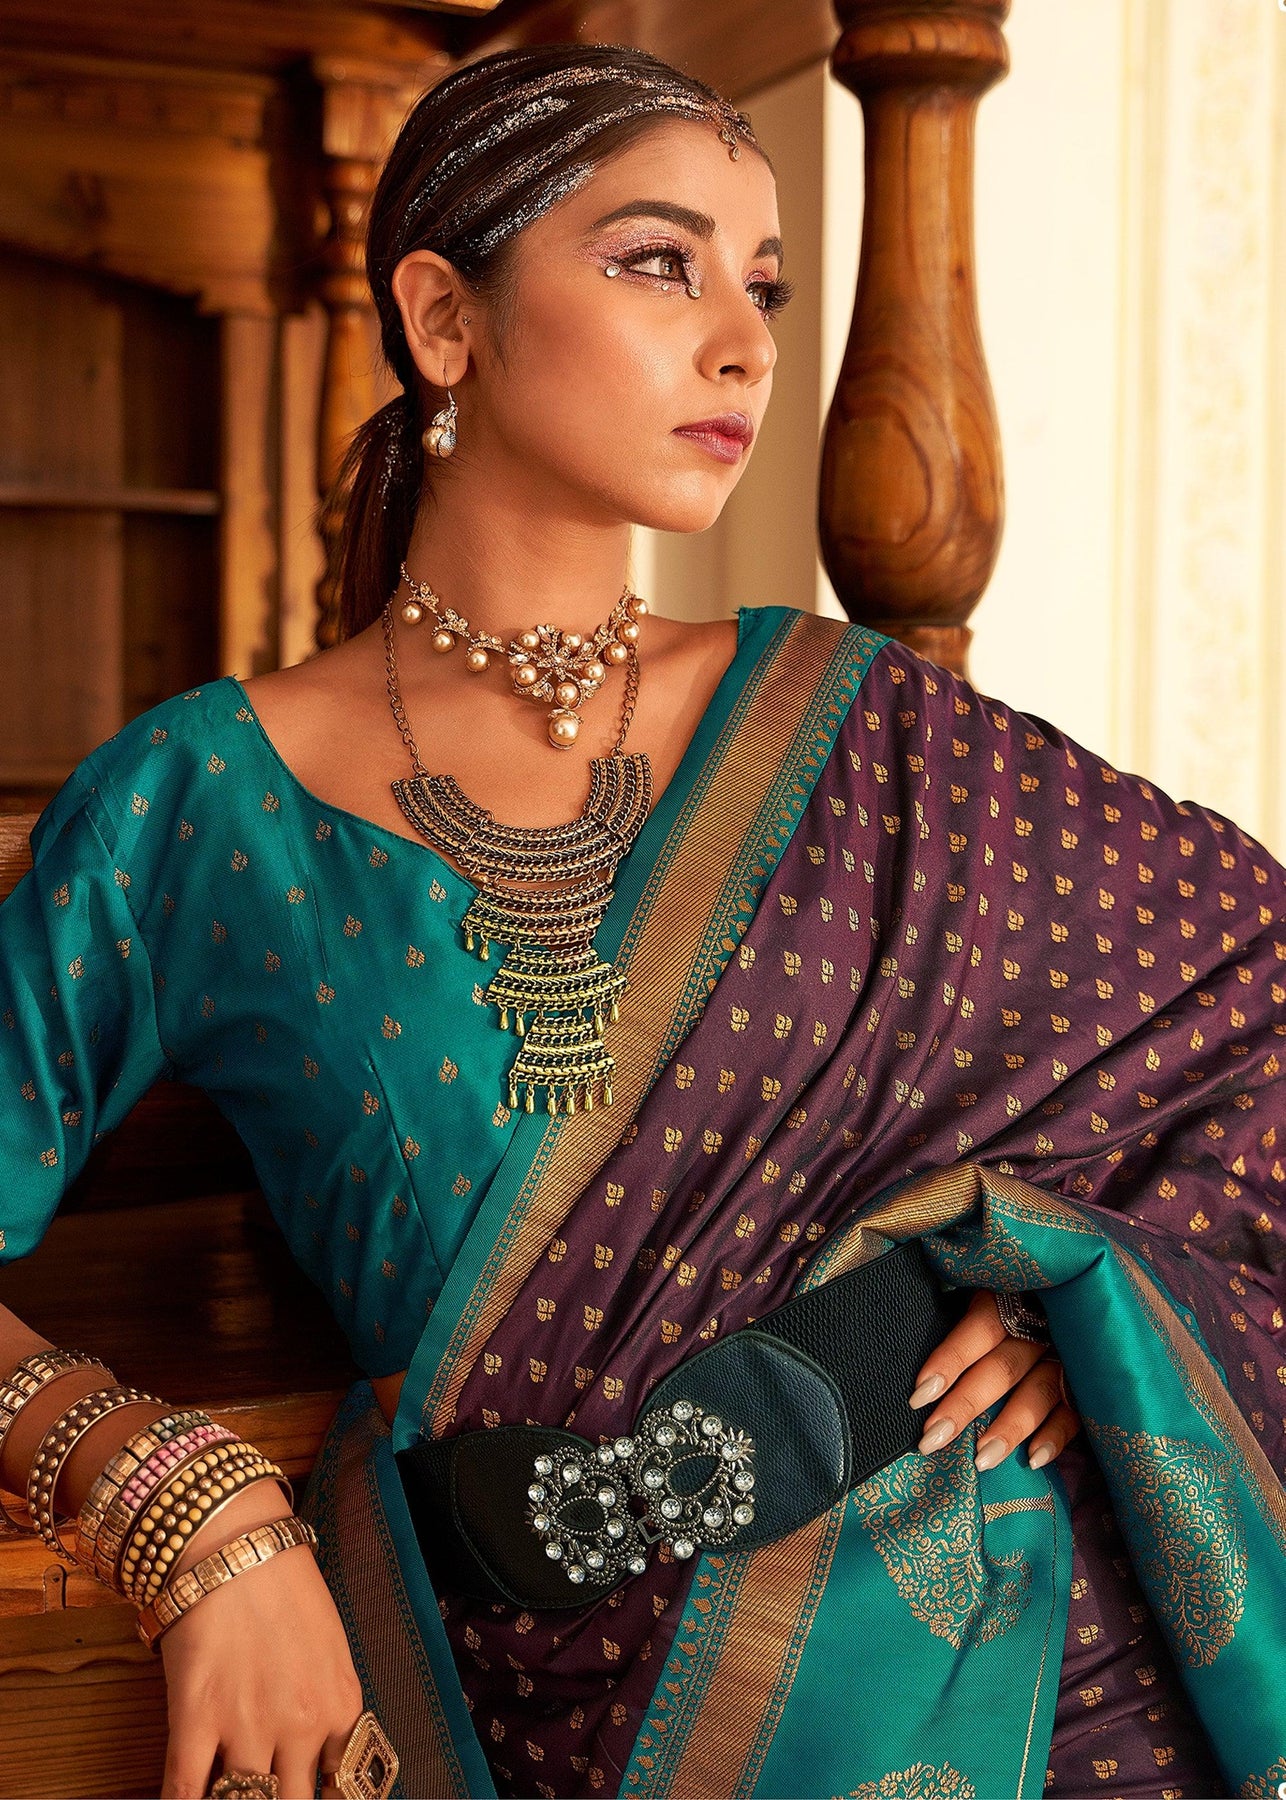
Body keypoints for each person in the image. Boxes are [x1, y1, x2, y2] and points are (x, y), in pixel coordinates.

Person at [0, 39, 1282, 1800]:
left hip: (1027, 1679)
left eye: (763, 284)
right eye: (658, 264)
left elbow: (1259, 998)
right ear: (442, 319)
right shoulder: (194, 806)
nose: (744, 341)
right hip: (542, 1710)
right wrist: (183, 1499)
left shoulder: (866, 723)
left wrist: (1096, 1290)